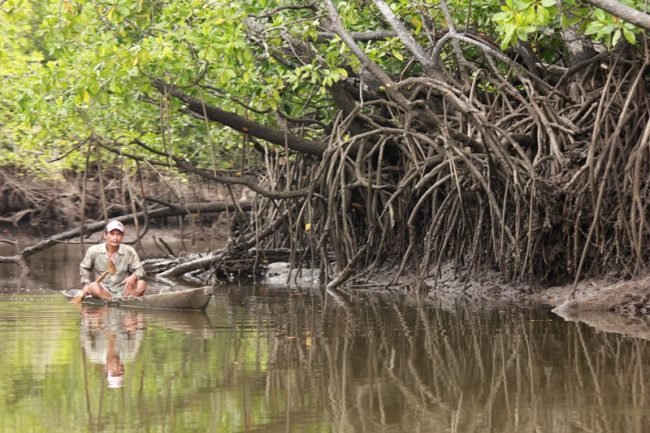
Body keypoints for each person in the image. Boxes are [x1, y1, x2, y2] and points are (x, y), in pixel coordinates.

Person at [79, 220, 147, 300]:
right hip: (103, 291)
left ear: (122, 236)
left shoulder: (129, 251)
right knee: (92, 286)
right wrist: (86, 284)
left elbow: (140, 270)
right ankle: (111, 301)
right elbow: (84, 268)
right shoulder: (94, 250)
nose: (115, 238)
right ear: (105, 235)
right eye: (112, 234)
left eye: (118, 234)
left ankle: (123, 301)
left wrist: (134, 276)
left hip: (124, 291)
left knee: (142, 284)